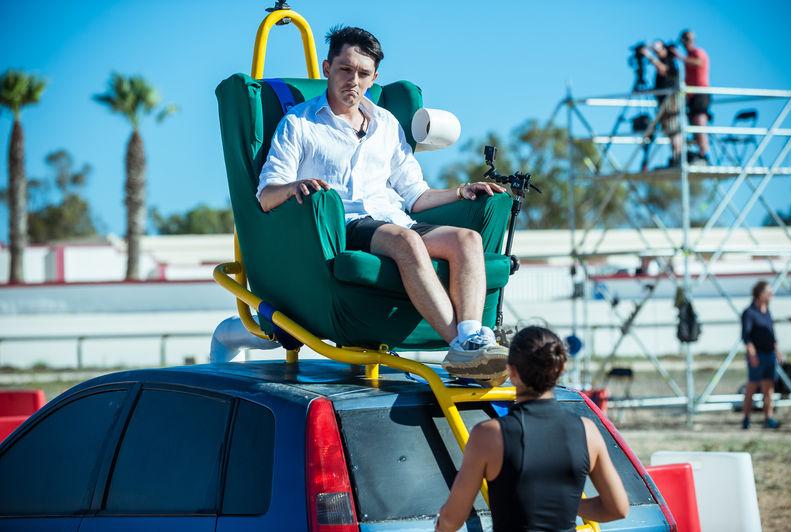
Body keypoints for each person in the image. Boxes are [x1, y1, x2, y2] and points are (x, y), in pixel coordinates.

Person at [256, 26, 508, 381]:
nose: (353, 81)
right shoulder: (299, 123)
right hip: (344, 226)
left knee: (467, 239)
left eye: (363, 74)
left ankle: (473, 337)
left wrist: (460, 191)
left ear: (374, 78)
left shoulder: (386, 123)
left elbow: (415, 195)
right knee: (405, 240)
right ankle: (461, 347)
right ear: (327, 68)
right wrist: (296, 186)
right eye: (345, 70)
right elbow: (266, 196)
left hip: (395, 219)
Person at [435, 326, 630, 531]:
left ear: (512, 372)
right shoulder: (587, 431)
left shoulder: (489, 435)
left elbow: (451, 519)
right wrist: (567, 505)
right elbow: (617, 508)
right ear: (560, 370)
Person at [741, 281, 783, 429]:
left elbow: (771, 334)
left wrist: (777, 351)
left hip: (769, 354)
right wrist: (752, 355)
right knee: (752, 388)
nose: (771, 295)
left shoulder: (767, 312)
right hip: (757, 355)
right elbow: (746, 336)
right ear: (760, 294)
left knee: (769, 389)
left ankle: (768, 418)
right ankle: (746, 418)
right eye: (768, 292)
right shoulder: (749, 312)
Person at [674, 29, 711, 165]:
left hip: (700, 93)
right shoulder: (689, 55)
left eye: (688, 40)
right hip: (691, 95)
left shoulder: (697, 52)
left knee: (699, 123)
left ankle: (704, 153)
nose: (686, 43)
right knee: (693, 124)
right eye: (684, 40)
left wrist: (680, 57)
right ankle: (699, 153)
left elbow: (698, 62)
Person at [643, 40, 682, 167]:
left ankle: (678, 157)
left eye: (658, 49)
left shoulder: (669, 60)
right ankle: (675, 157)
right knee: (668, 130)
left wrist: (650, 56)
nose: (656, 52)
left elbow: (663, 70)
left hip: (671, 101)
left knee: (673, 129)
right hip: (663, 102)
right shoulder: (663, 60)